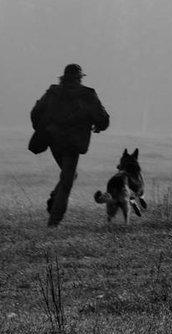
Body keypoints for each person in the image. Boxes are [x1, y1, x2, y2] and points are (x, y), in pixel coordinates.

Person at [28, 64, 110, 226]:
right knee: (67, 181)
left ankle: (54, 199)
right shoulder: (87, 95)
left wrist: (42, 128)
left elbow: (35, 112)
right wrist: (98, 126)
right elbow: (102, 118)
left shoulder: (53, 92)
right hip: (73, 143)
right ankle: (54, 221)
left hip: (54, 140)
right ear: (79, 78)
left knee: (69, 176)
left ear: (63, 77)